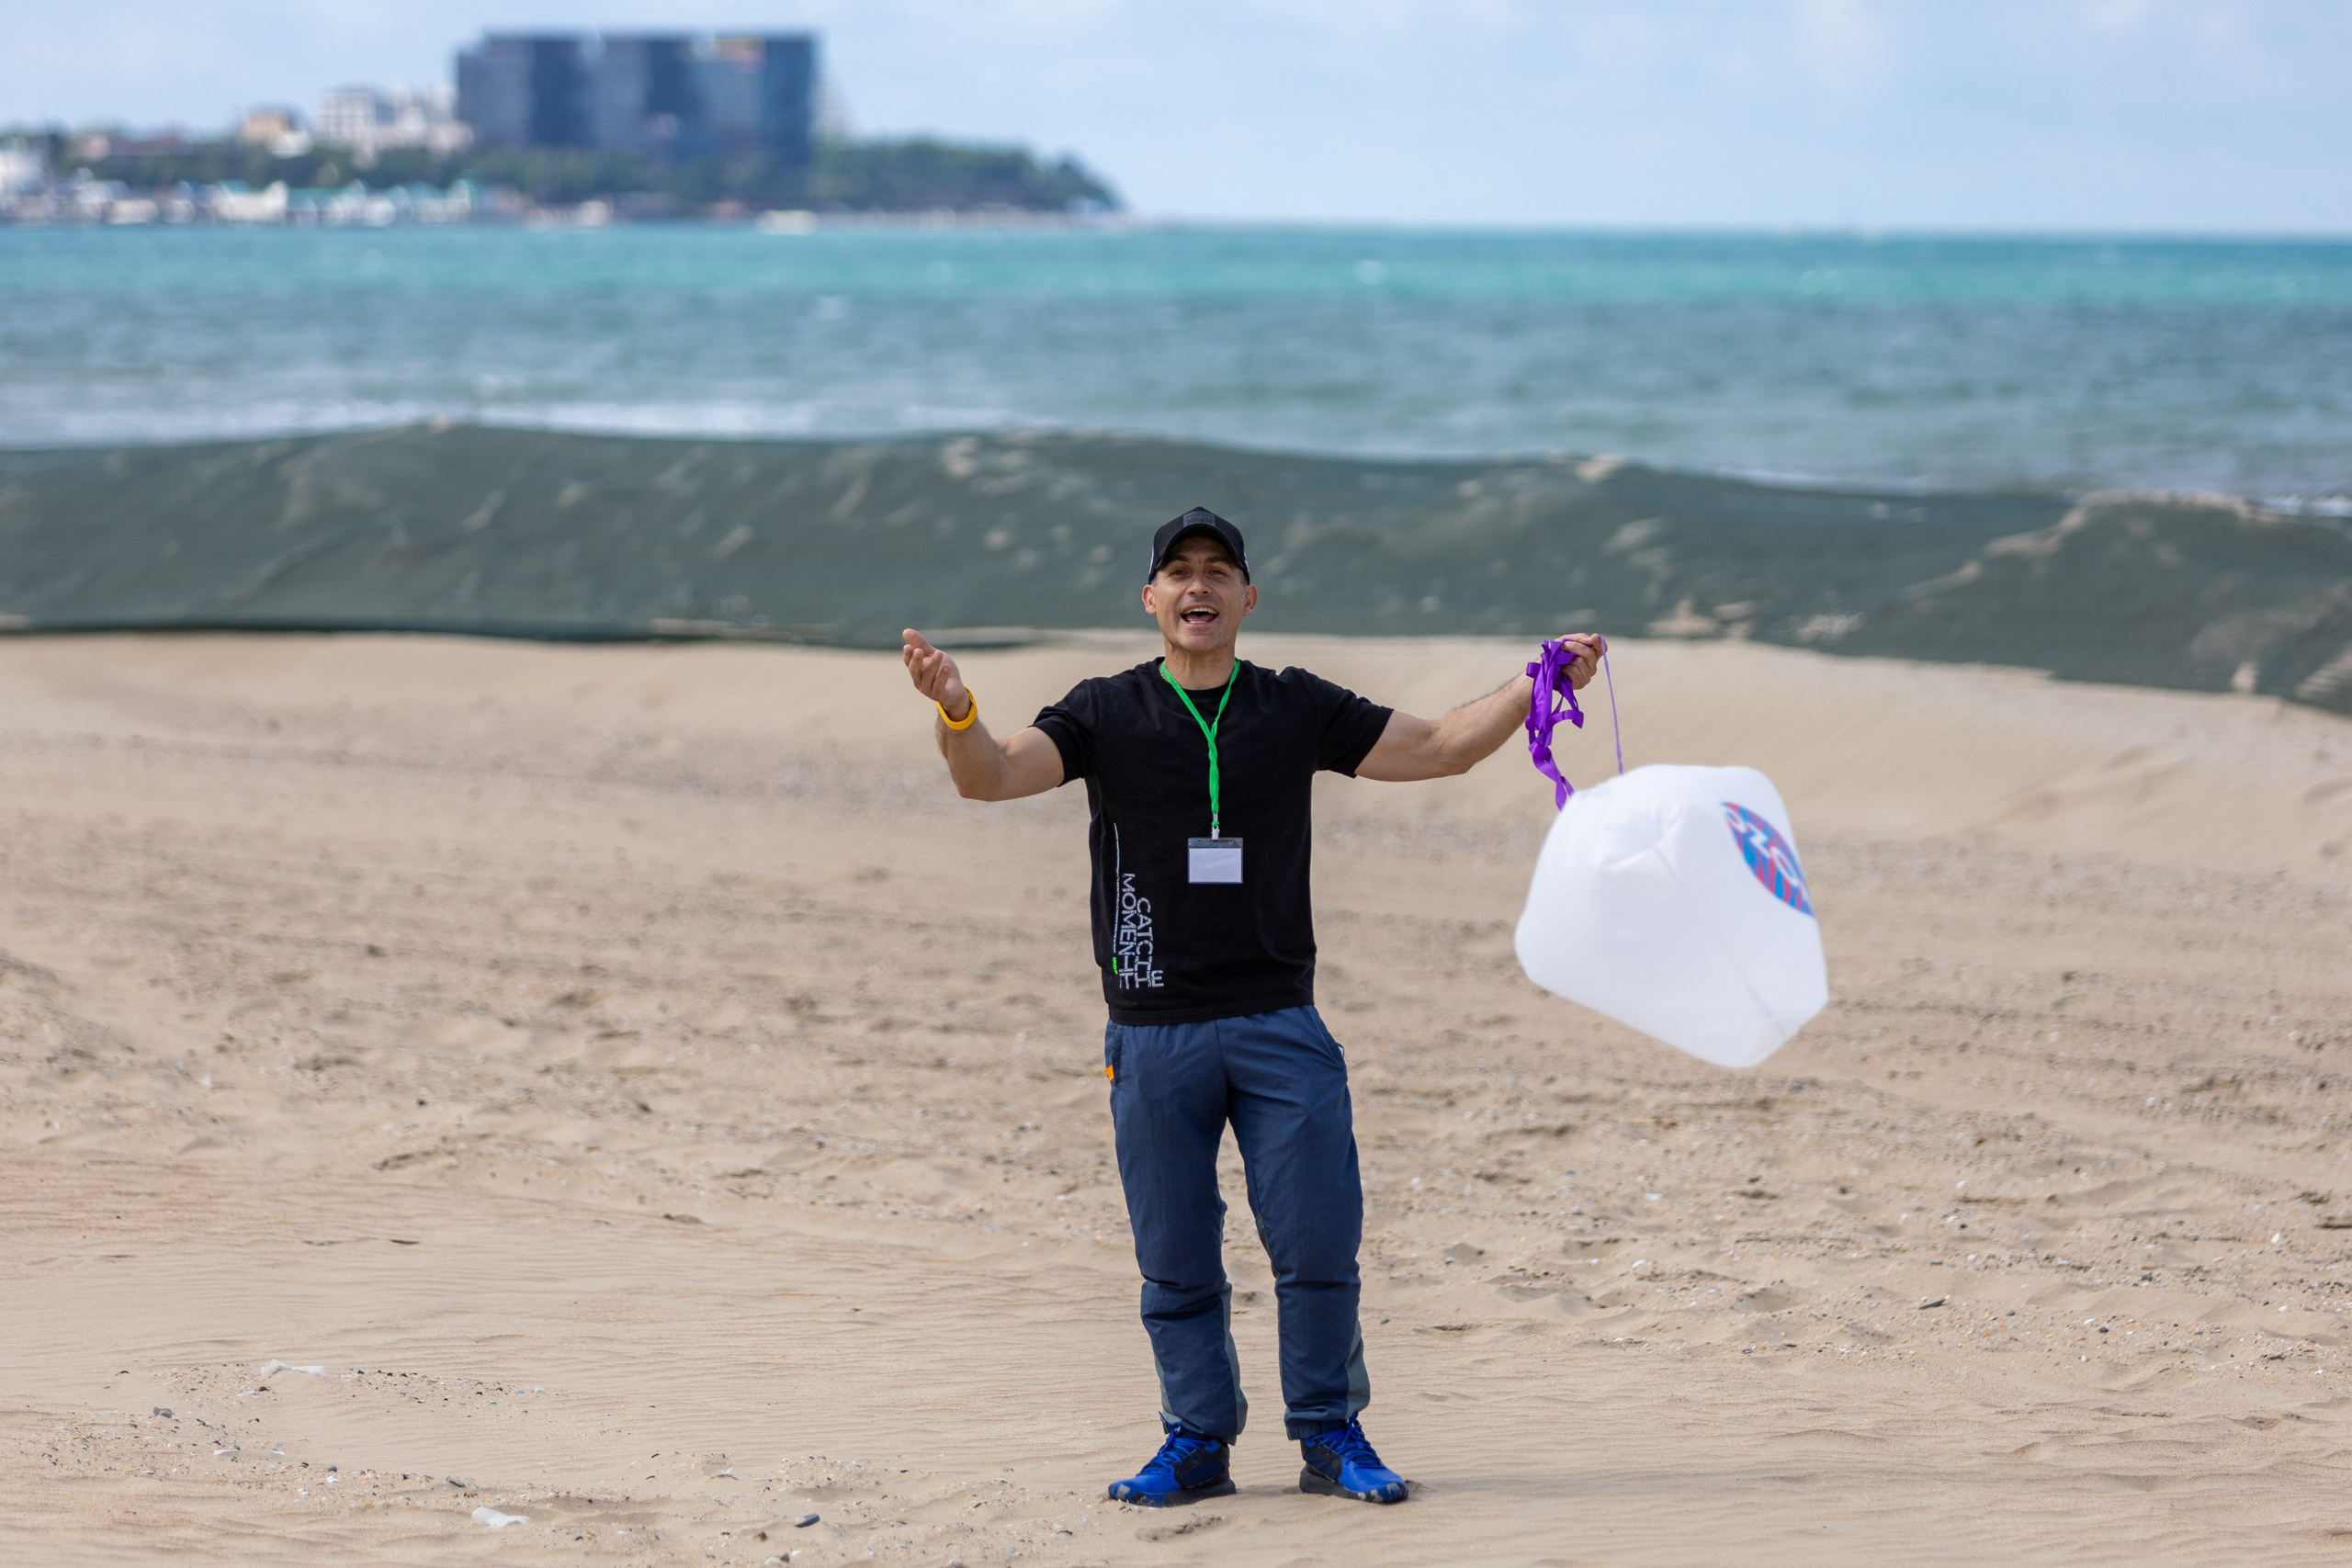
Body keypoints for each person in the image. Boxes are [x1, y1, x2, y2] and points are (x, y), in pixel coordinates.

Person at [900, 506, 1600, 1508]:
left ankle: (1329, 1434)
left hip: (1280, 1019)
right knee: (1175, 1259)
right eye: (1180, 571)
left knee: (1317, 1245)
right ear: (1151, 598)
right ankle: (1195, 1442)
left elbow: (1442, 746)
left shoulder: (1293, 705)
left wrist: (1537, 681)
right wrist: (958, 708)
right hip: (1151, 1026)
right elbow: (993, 777)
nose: (1199, 585)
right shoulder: (1105, 710)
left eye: (1219, 570)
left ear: (1247, 597)